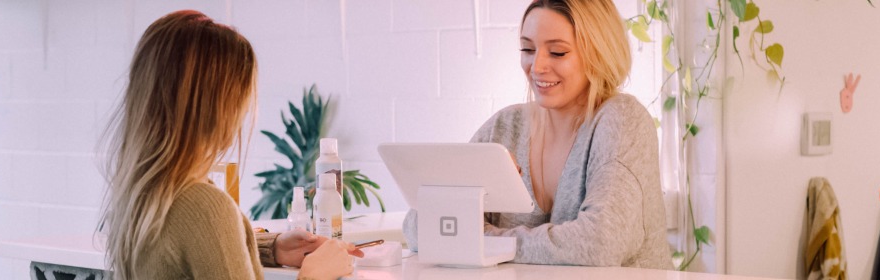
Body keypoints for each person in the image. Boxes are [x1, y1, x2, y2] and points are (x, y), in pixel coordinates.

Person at [404, 0, 671, 269]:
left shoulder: (622, 120)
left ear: (599, 53)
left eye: (557, 52)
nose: (537, 66)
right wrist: (472, 185)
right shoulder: (505, 127)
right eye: (528, 49)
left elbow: (600, 243)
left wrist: (486, 242)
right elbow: (418, 227)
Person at [100, 10, 359, 280]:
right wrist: (314, 276)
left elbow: (191, 248)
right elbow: (201, 229)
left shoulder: (143, 193)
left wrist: (271, 248)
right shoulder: (204, 206)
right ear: (220, 107)